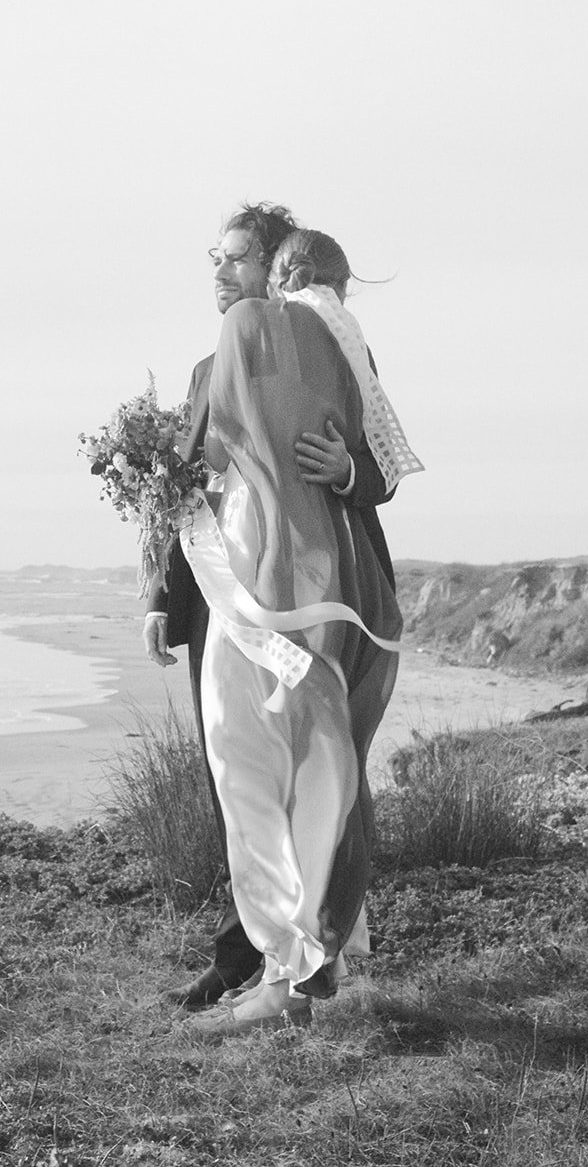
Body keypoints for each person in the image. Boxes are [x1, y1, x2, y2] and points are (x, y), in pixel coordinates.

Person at [144, 206, 397, 1011]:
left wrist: (347, 469)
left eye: (237, 260)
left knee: (310, 764)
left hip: (312, 589)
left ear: (278, 269)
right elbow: (180, 492)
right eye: (213, 261)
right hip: (221, 599)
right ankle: (247, 956)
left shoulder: (337, 351)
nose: (221, 276)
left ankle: (308, 953)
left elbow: (382, 463)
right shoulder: (201, 370)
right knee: (238, 771)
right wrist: (159, 596)